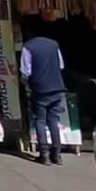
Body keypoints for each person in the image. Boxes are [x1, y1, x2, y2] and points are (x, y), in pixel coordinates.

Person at [19, 18, 67, 165]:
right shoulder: (54, 45)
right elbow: (61, 65)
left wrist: (25, 84)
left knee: (40, 120)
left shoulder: (28, 47)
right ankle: (57, 154)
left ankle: (44, 154)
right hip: (56, 87)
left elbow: (25, 71)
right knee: (53, 120)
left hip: (40, 89)